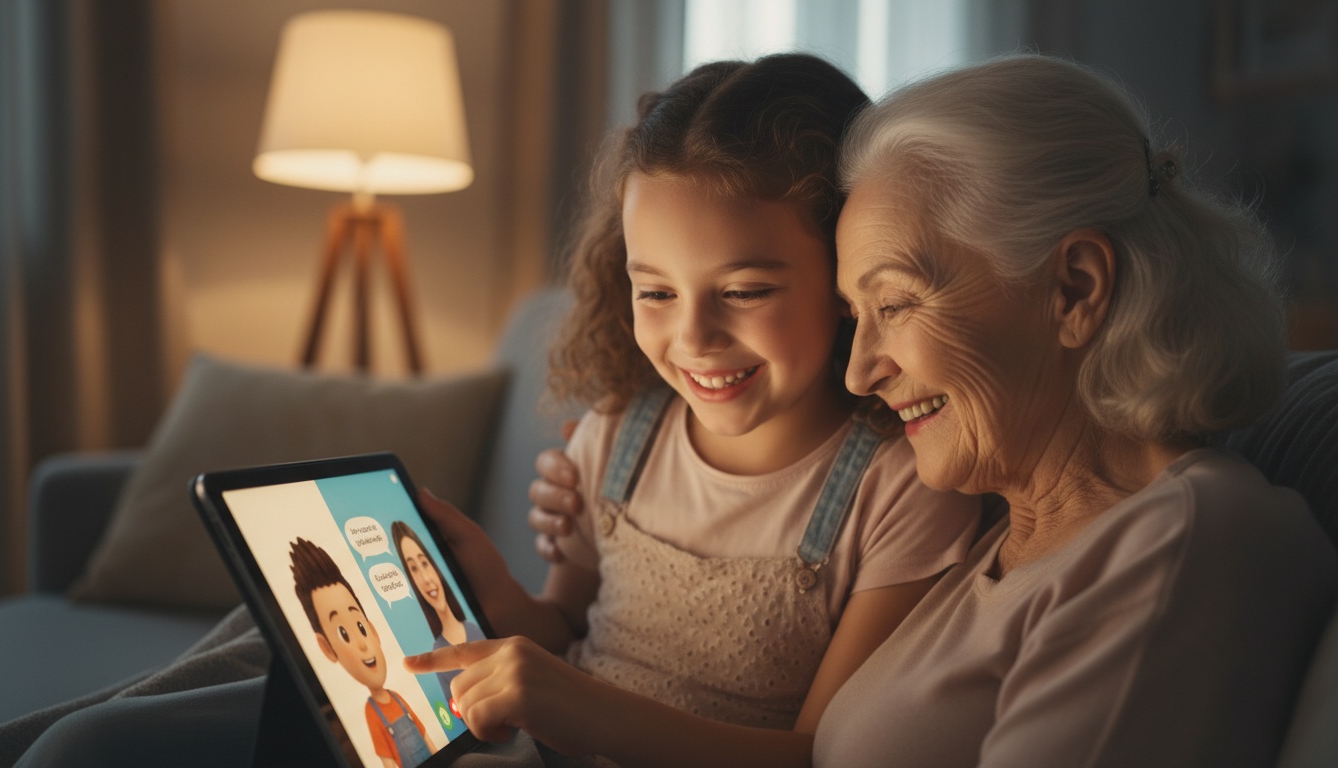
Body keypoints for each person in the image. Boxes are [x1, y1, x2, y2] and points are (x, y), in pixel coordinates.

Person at [517, 54, 1338, 767]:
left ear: (1075, 288)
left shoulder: (1181, 539)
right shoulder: (999, 531)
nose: (862, 371)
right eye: (854, 313)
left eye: (897, 304)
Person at [408, 52, 980, 765]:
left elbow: (819, 755)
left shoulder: (901, 488)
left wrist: (575, 706)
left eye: (744, 292)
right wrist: (498, 596)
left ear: (846, 277)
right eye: (656, 293)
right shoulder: (617, 434)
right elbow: (565, 628)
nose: (694, 340)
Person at [288, 537, 438, 768]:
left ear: (373, 630)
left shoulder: (399, 698)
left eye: (360, 627)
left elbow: (427, 739)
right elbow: (387, 762)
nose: (362, 645)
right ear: (327, 649)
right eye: (343, 633)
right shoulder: (372, 713)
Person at [390, 521, 484, 707]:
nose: (426, 579)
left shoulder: (474, 629)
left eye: (424, 563)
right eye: (413, 569)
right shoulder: (437, 654)